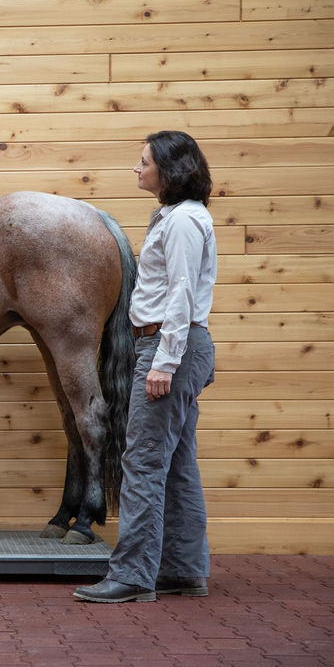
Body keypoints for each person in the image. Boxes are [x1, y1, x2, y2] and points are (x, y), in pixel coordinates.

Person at [74, 131, 217, 603]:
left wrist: (164, 361)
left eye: (144, 162)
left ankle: (133, 575)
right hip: (166, 346)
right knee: (175, 463)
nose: (137, 169)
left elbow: (180, 294)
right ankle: (182, 569)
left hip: (167, 348)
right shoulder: (176, 217)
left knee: (143, 461)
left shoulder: (183, 223)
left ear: (169, 170)